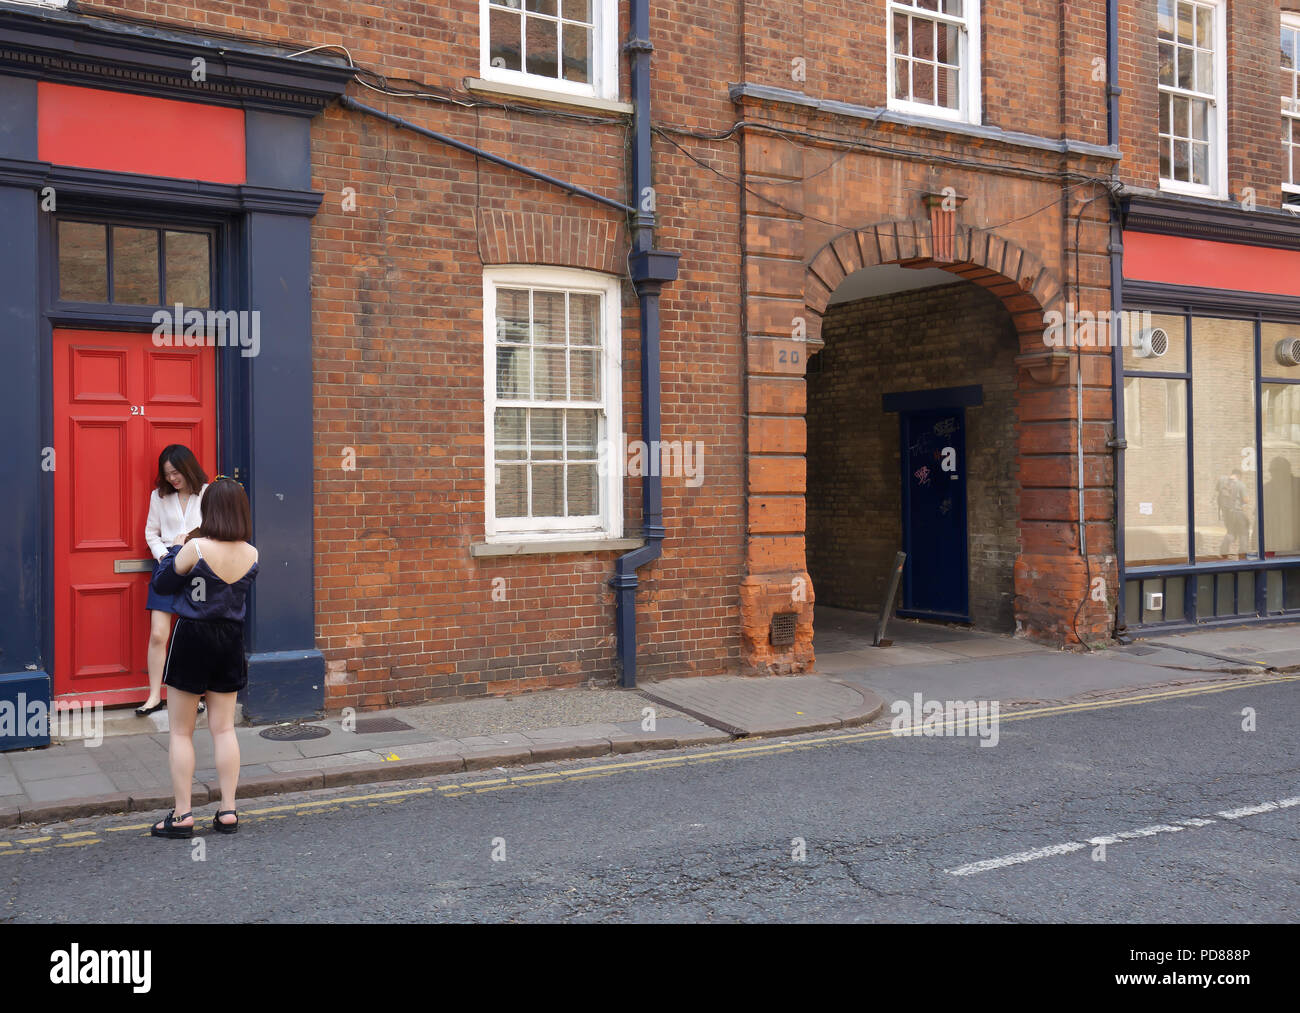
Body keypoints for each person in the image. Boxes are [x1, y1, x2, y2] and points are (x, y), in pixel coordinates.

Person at [149, 477, 259, 839]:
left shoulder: (195, 547)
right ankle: (228, 810)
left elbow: (163, 585)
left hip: (193, 637)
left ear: (209, 509)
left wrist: (174, 548)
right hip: (229, 640)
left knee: (182, 731)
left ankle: (182, 816)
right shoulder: (252, 553)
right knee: (224, 728)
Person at [140, 445, 209, 716]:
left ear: (189, 468)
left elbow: (215, 528)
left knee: (195, 634)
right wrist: (164, 556)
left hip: (199, 568)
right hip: (167, 567)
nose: (172, 479)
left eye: (176, 472)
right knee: (158, 633)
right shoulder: (158, 497)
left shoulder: (206, 493)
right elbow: (151, 533)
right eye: (167, 474)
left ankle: (195, 693)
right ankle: (155, 695)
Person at [1216, 467, 1251, 558]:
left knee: (1231, 532)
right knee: (1244, 532)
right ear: (1239, 476)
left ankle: (1223, 552)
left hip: (1227, 513)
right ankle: (1242, 554)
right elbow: (1246, 500)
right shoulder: (1240, 484)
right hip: (1238, 513)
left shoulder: (1222, 481)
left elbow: (1218, 492)